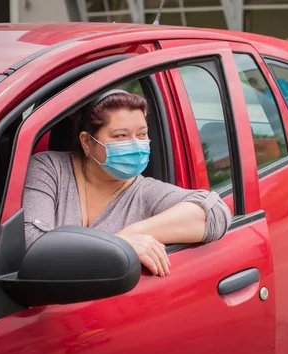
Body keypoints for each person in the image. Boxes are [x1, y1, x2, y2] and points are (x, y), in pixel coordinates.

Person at [23, 89, 232, 277]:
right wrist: (116, 244)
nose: (136, 145)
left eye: (142, 134)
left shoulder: (144, 192)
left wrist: (134, 234)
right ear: (87, 142)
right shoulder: (49, 168)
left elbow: (215, 213)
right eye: (121, 136)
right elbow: (33, 245)